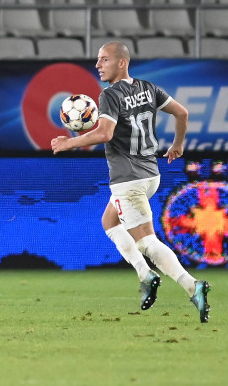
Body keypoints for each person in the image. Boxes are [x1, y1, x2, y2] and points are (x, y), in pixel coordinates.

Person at [51, 41, 211, 323]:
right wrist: (178, 145)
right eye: (98, 60)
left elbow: (104, 134)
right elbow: (182, 113)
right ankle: (145, 274)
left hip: (128, 180)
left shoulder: (109, 95)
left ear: (121, 62)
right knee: (110, 222)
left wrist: (68, 144)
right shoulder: (149, 88)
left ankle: (192, 285)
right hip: (151, 175)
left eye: (104, 59)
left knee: (147, 242)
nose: (98, 65)